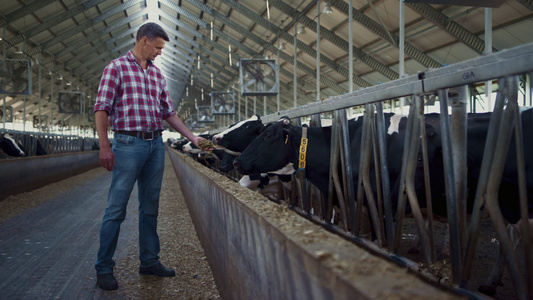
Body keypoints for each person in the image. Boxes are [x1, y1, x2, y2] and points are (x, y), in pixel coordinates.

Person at [93, 22, 208, 291]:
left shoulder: (157, 76)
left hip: (155, 144)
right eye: (157, 47)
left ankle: (149, 261)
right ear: (144, 41)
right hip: (127, 142)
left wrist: (193, 138)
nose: (159, 53)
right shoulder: (116, 68)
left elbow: (168, 113)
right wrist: (104, 146)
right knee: (116, 208)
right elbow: (101, 109)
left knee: (150, 207)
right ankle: (104, 267)